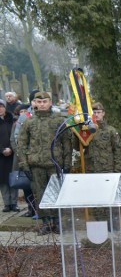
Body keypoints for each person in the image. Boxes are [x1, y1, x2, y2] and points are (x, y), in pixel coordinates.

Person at [16, 91, 70, 234]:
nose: (42, 104)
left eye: (44, 102)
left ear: (50, 102)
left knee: (57, 194)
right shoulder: (29, 122)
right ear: (34, 103)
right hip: (36, 165)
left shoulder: (59, 120)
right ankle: (46, 223)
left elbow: (66, 142)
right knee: (39, 195)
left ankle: (58, 222)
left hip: (55, 164)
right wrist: (24, 164)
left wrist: (67, 162)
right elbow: (21, 144)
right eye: (39, 102)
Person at [0, 100, 18, 212]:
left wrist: (12, 149)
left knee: (13, 179)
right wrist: (2, 150)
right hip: (1, 156)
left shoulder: (13, 120)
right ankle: (7, 203)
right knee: (3, 181)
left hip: (13, 154)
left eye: (1, 107)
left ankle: (14, 203)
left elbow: (16, 136)